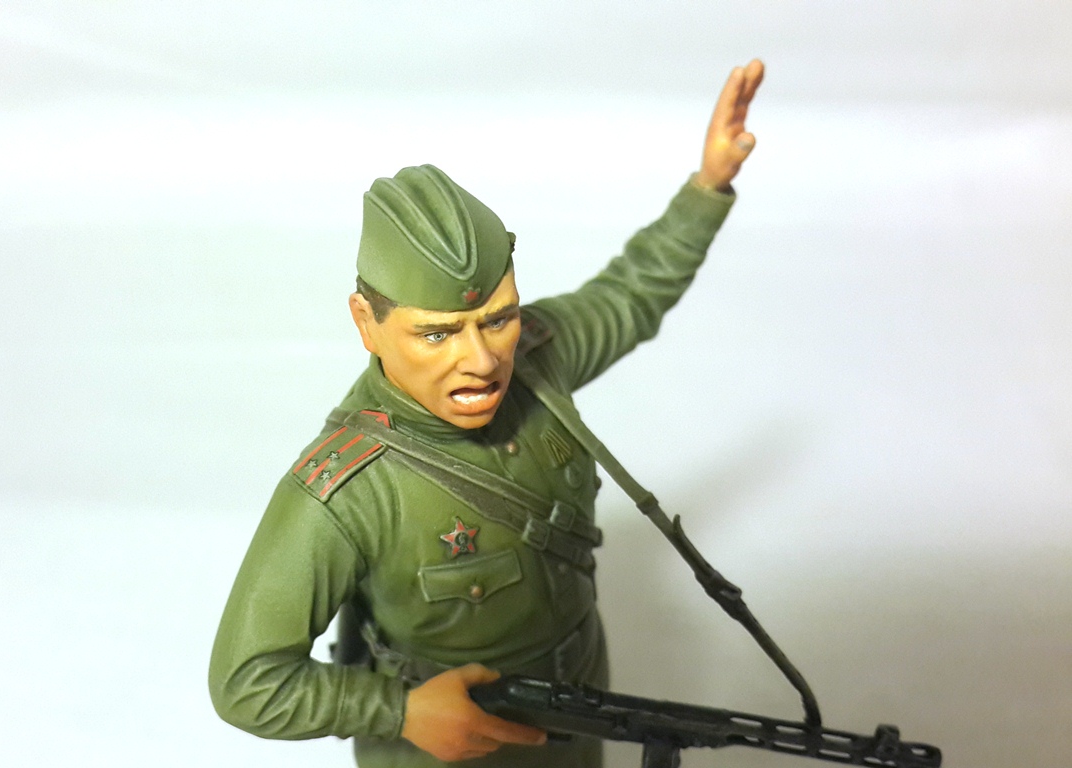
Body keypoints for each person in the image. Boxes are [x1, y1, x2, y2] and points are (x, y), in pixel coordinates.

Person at [210, 59, 765, 767]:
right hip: (448, 749)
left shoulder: (535, 358)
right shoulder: (348, 490)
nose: (480, 359)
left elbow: (631, 295)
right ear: (366, 322)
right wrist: (397, 710)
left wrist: (708, 187)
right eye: (436, 334)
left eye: (498, 319)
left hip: (580, 714)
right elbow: (245, 682)